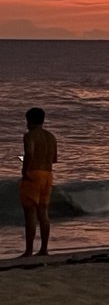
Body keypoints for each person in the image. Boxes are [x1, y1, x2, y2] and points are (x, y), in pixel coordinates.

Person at [20, 107, 58, 257]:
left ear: (30, 121)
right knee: (43, 212)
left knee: (30, 213)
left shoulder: (29, 136)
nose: (26, 124)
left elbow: (29, 153)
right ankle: (44, 249)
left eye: (27, 121)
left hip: (33, 174)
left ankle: (29, 250)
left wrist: (24, 170)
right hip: (47, 174)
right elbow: (54, 159)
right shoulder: (51, 136)